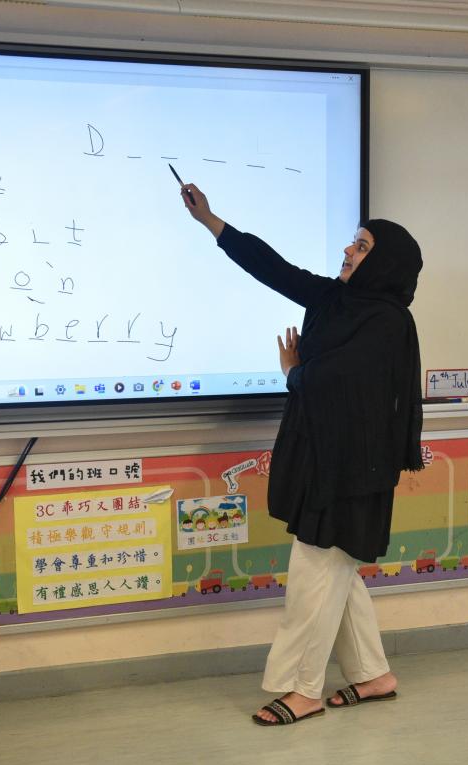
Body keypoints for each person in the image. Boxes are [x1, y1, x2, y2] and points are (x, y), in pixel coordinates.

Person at [180, 183, 425, 727]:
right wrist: (212, 222)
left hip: (353, 472)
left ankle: (301, 689)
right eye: (353, 242)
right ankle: (373, 675)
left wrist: (294, 372)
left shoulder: (387, 321)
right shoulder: (336, 299)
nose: (348, 251)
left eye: (361, 247)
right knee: (335, 571)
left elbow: (338, 380)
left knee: (316, 576)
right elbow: (275, 269)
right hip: (326, 462)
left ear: (384, 263)